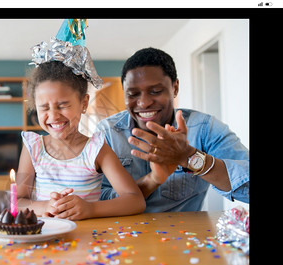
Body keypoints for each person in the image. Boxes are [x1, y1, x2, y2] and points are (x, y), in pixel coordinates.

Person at [96, 47, 249, 212]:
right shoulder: (108, 132)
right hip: (121, 235)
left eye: (155, 91)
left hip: (188, 236)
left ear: (175, 88)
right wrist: (153, 180)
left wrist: (189, 157)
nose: (144, 103)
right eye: (132, 94)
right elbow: (97, 200)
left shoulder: (204, 128)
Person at [16, 60, 146, 220]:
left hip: (89, 239)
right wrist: (45, 206)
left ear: (83, 103)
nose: (54, 115)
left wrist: (90, 209)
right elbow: (18, 201)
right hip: (44, 239)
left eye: (63, 105)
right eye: (44, 107)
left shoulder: (97, 149)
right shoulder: (33, 147)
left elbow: (135, 200)